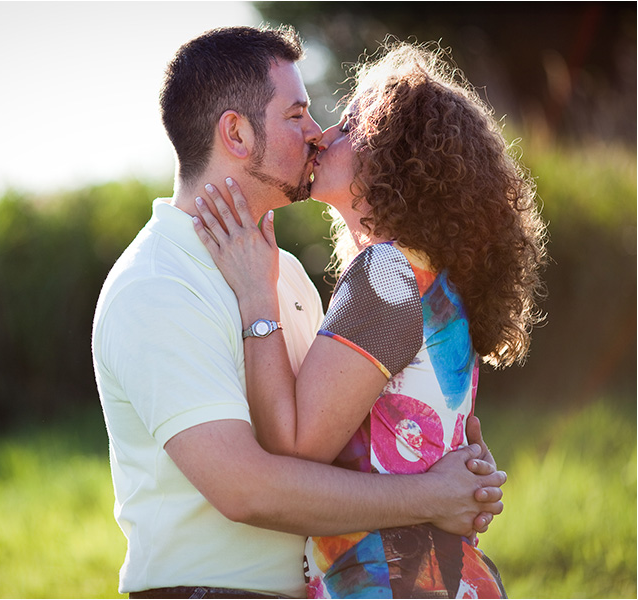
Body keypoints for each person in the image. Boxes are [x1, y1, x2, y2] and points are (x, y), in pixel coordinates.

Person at [92, 27, 507, 599]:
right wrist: (435, 493)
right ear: (235, 132)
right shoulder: (156, 285)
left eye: (339, 123)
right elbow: (248, 488)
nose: (319, 134)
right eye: (297, 115)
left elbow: (330, 433)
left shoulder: (283, 272)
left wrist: (447, 464)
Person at [192, 41, 546, 598]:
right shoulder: (425, 280)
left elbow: (293, 449)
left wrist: (256, 300)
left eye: (352, 124)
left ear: (396, 156)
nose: (323, 134)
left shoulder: (388, 275)